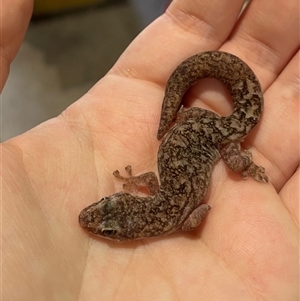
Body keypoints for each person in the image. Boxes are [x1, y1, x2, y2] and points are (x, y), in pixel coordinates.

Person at [2, 0, 299, 300]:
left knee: (234, 162)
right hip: (204, 126)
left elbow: (201, 210)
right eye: (108, 227)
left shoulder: (179, 220)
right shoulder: (161, 200)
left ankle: (238, 157)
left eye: (106, 200)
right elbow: (175, 195)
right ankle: (235, 156)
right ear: (130, 229)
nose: (95, 212)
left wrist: (193, 212)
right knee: (235, 162)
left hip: (214, 135)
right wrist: (141, 181)